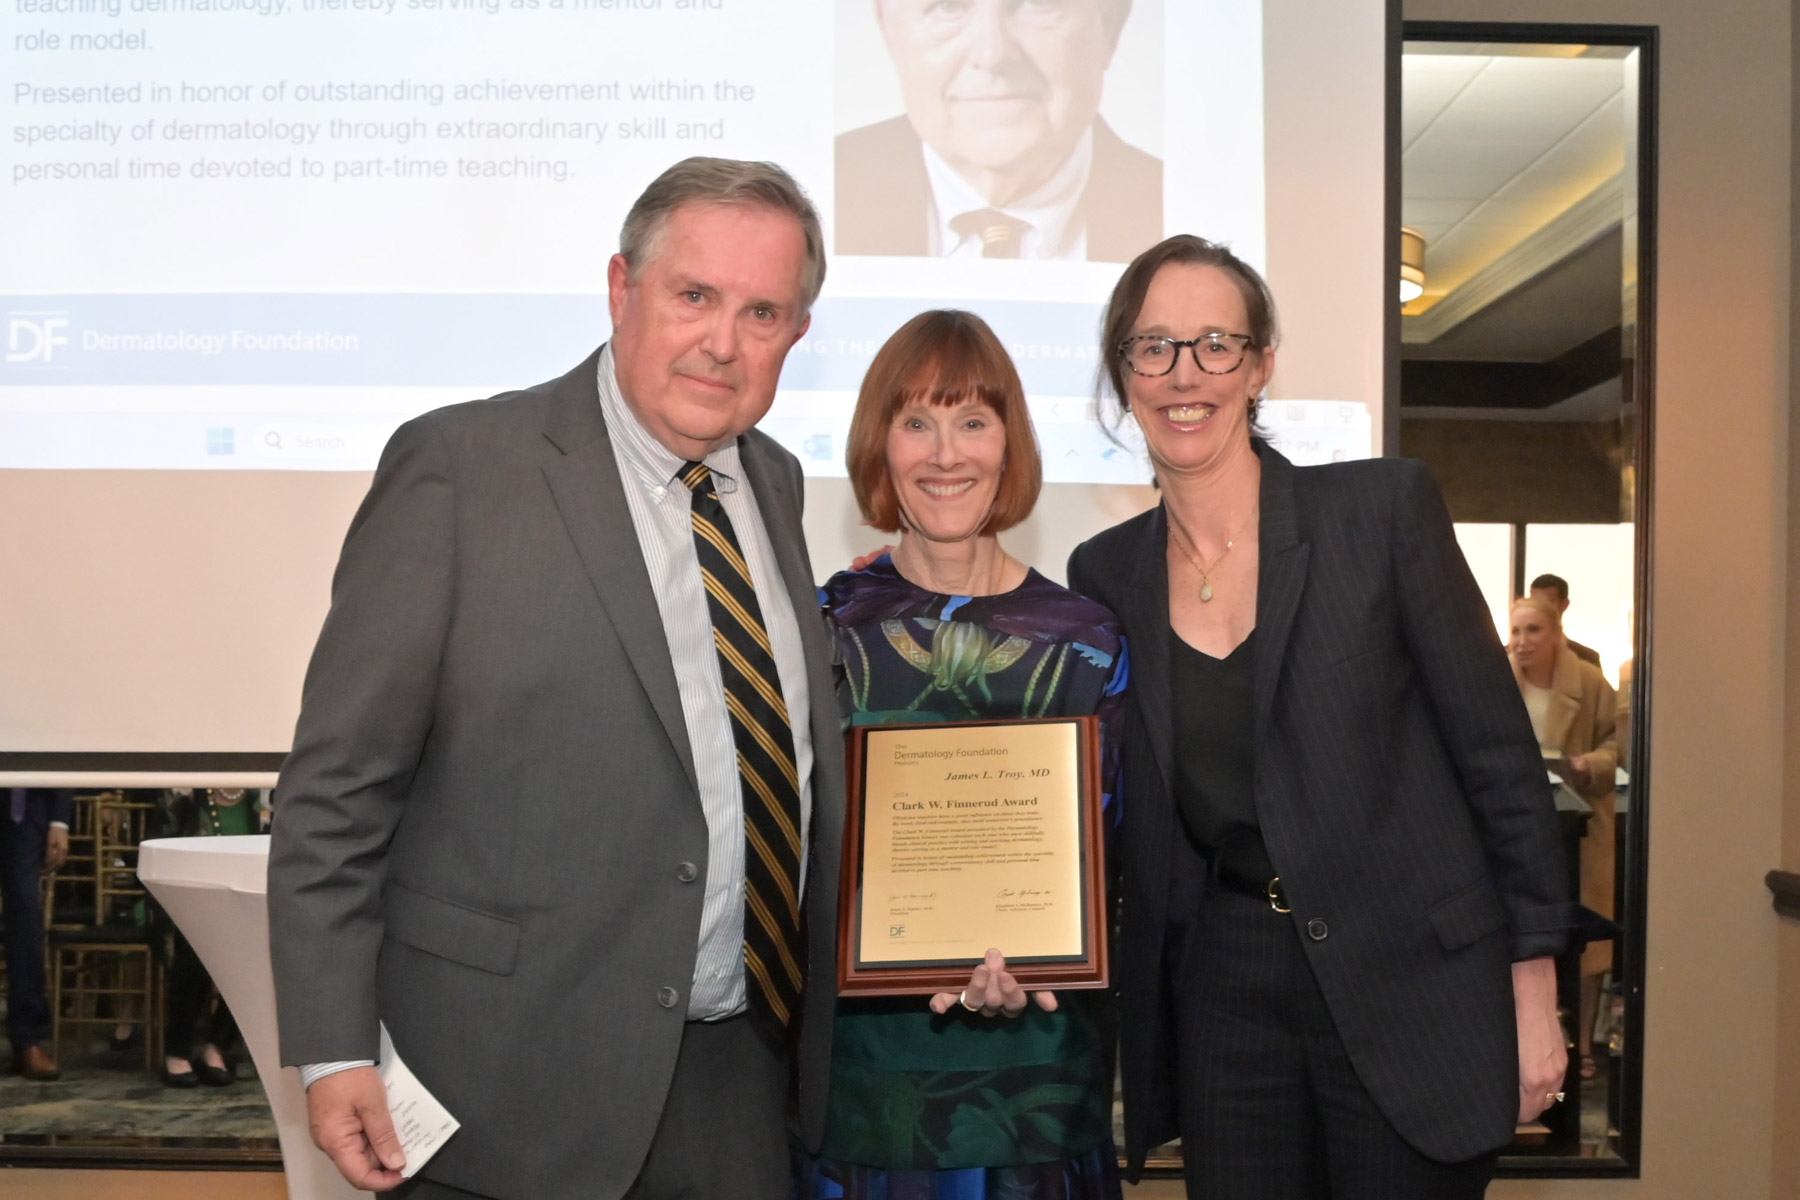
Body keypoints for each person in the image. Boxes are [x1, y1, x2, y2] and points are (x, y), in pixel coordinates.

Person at [268, 157, 847, 1200]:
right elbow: (338, 787)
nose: (723, 341)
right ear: (622, 290)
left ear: (796, 336)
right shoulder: (461, 469)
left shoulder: (776, 483)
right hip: (503, 1094)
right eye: (694, 296)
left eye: (763, 312)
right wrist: (332, 1046)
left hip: (732, 1080)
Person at [1064, 235, 1574, 1198]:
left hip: (1410, 977)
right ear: (1123, 374)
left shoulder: (1379, 511)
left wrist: (1535, 988)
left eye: (1215, 344)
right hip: (1226, 989)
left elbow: (1499, 762)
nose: (1185, 374)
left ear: (1260, 366)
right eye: (1153, 346)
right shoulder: (1107, 572)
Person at [799, 309, 1126, 1200]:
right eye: (916, 422)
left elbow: (1114, 852)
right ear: (879, 446)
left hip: (1040, 1080)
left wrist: (1050, 948)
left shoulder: (1088, 637)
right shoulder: (821, 625)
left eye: (973, 421)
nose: (946, 455)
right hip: (867, 1083)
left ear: (1010, 443)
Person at [836, 0, 1161, 262]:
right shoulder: (824, 195)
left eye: (1038, 4)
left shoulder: (1166, 203)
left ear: (1110, 27)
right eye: (948, 7)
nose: (993, 54)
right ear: (889, 29)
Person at [1508, 595, 1618, 1082]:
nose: (1521, 642)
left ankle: (1583, 1040)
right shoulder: (1493, 681)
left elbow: (1620, 743)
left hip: (1578, 827)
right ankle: (1522, 1039)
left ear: (1555, 633)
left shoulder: (1590, 684)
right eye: (1515, 631)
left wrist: (1585, 765)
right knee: (1524, 934)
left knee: (1585, 942)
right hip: (1514, 826)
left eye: (1533, 630)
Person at [154, 787, 265, 1088]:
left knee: (261, 955)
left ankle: (216, 1045)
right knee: (196, 952)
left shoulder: (263, 794)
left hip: (247, 903)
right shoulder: (187, 792)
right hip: (188, 900)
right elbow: (159, 849)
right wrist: (177, 799)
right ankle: (177, 1050)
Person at [1, 788, 70, 1082]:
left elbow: (61, 746)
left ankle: (27, 1039)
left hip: (27, 808)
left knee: (27, 922)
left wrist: (59, 821)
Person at [1529, 573, 1603, 669]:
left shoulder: (1587, 657)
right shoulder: (1511, 656)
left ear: (1564, 604)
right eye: (1535, 602)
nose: (1540, 608)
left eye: (1548, 602)